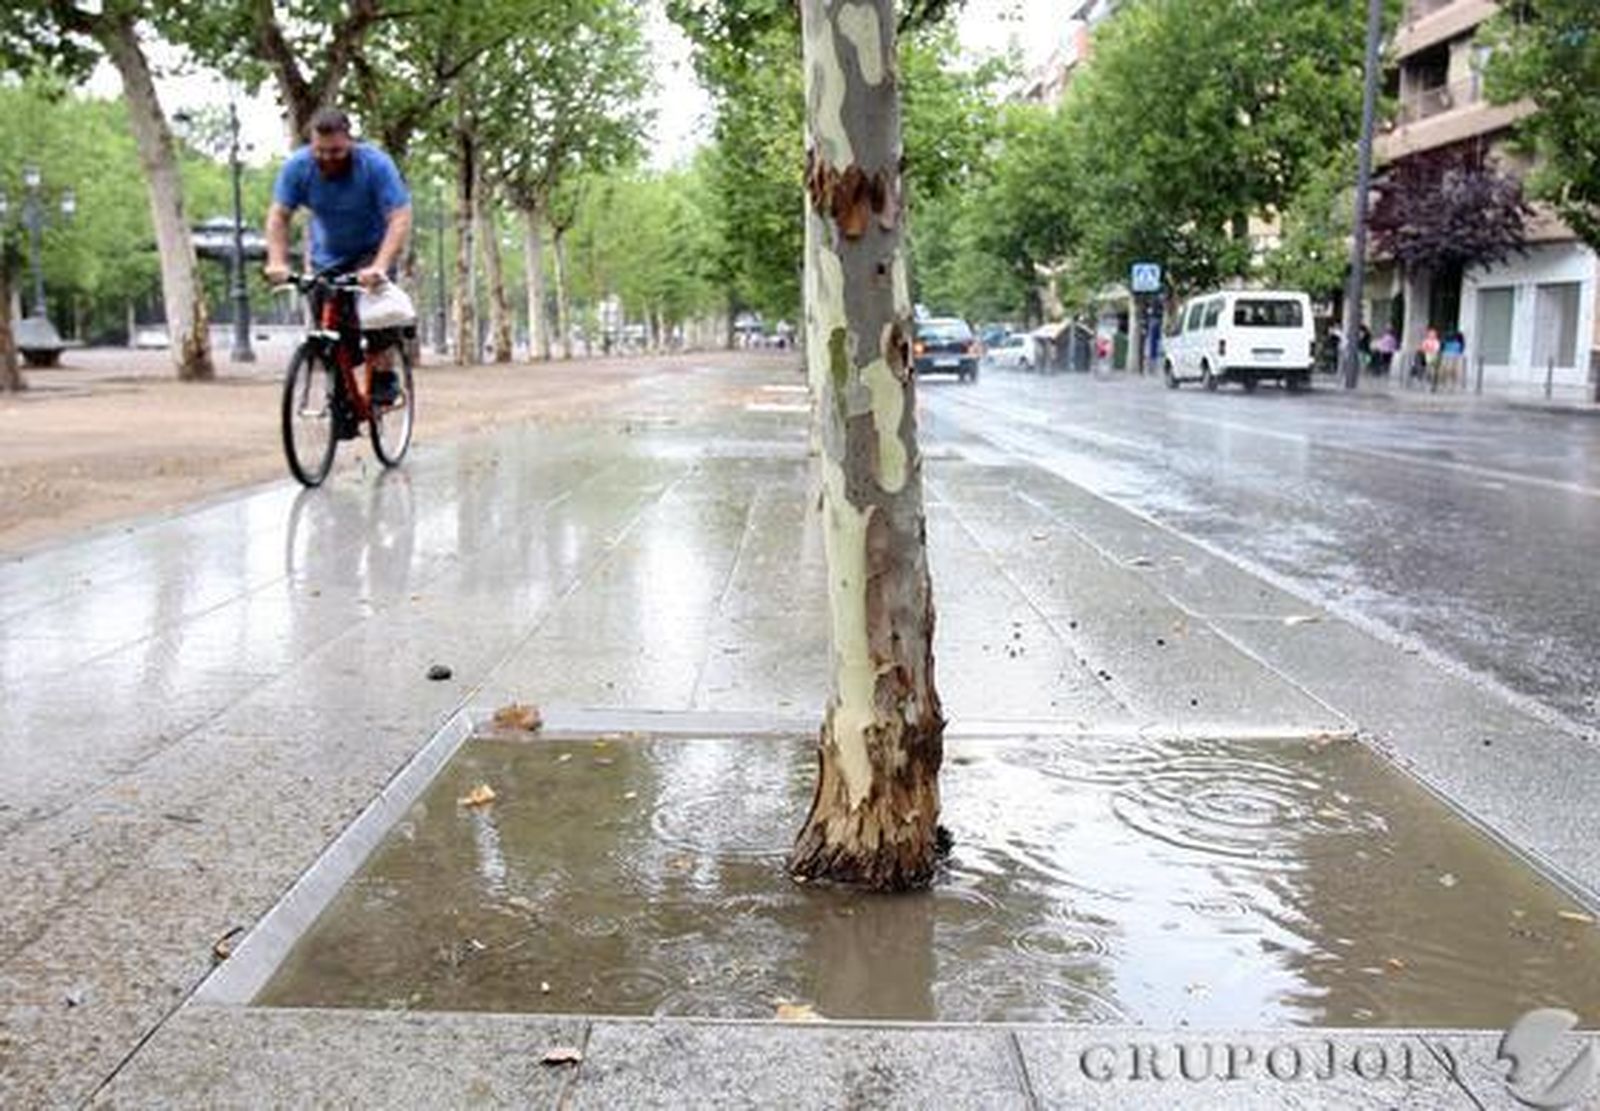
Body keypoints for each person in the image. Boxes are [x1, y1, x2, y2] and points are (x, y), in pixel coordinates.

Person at [264, 108, 412, 404]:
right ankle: (343, 395)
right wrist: (277, 260)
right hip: (326, 257)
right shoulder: (298, 167)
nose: (328, 158)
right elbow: (279, 216)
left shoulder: (375, 165)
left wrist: (380, 266)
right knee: (331, 330)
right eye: (320, 151)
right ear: (311, 144)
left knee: (376, 316)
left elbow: (400, 216)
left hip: (372, 250)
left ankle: (384, 375)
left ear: (350, 142)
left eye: (336, 151)